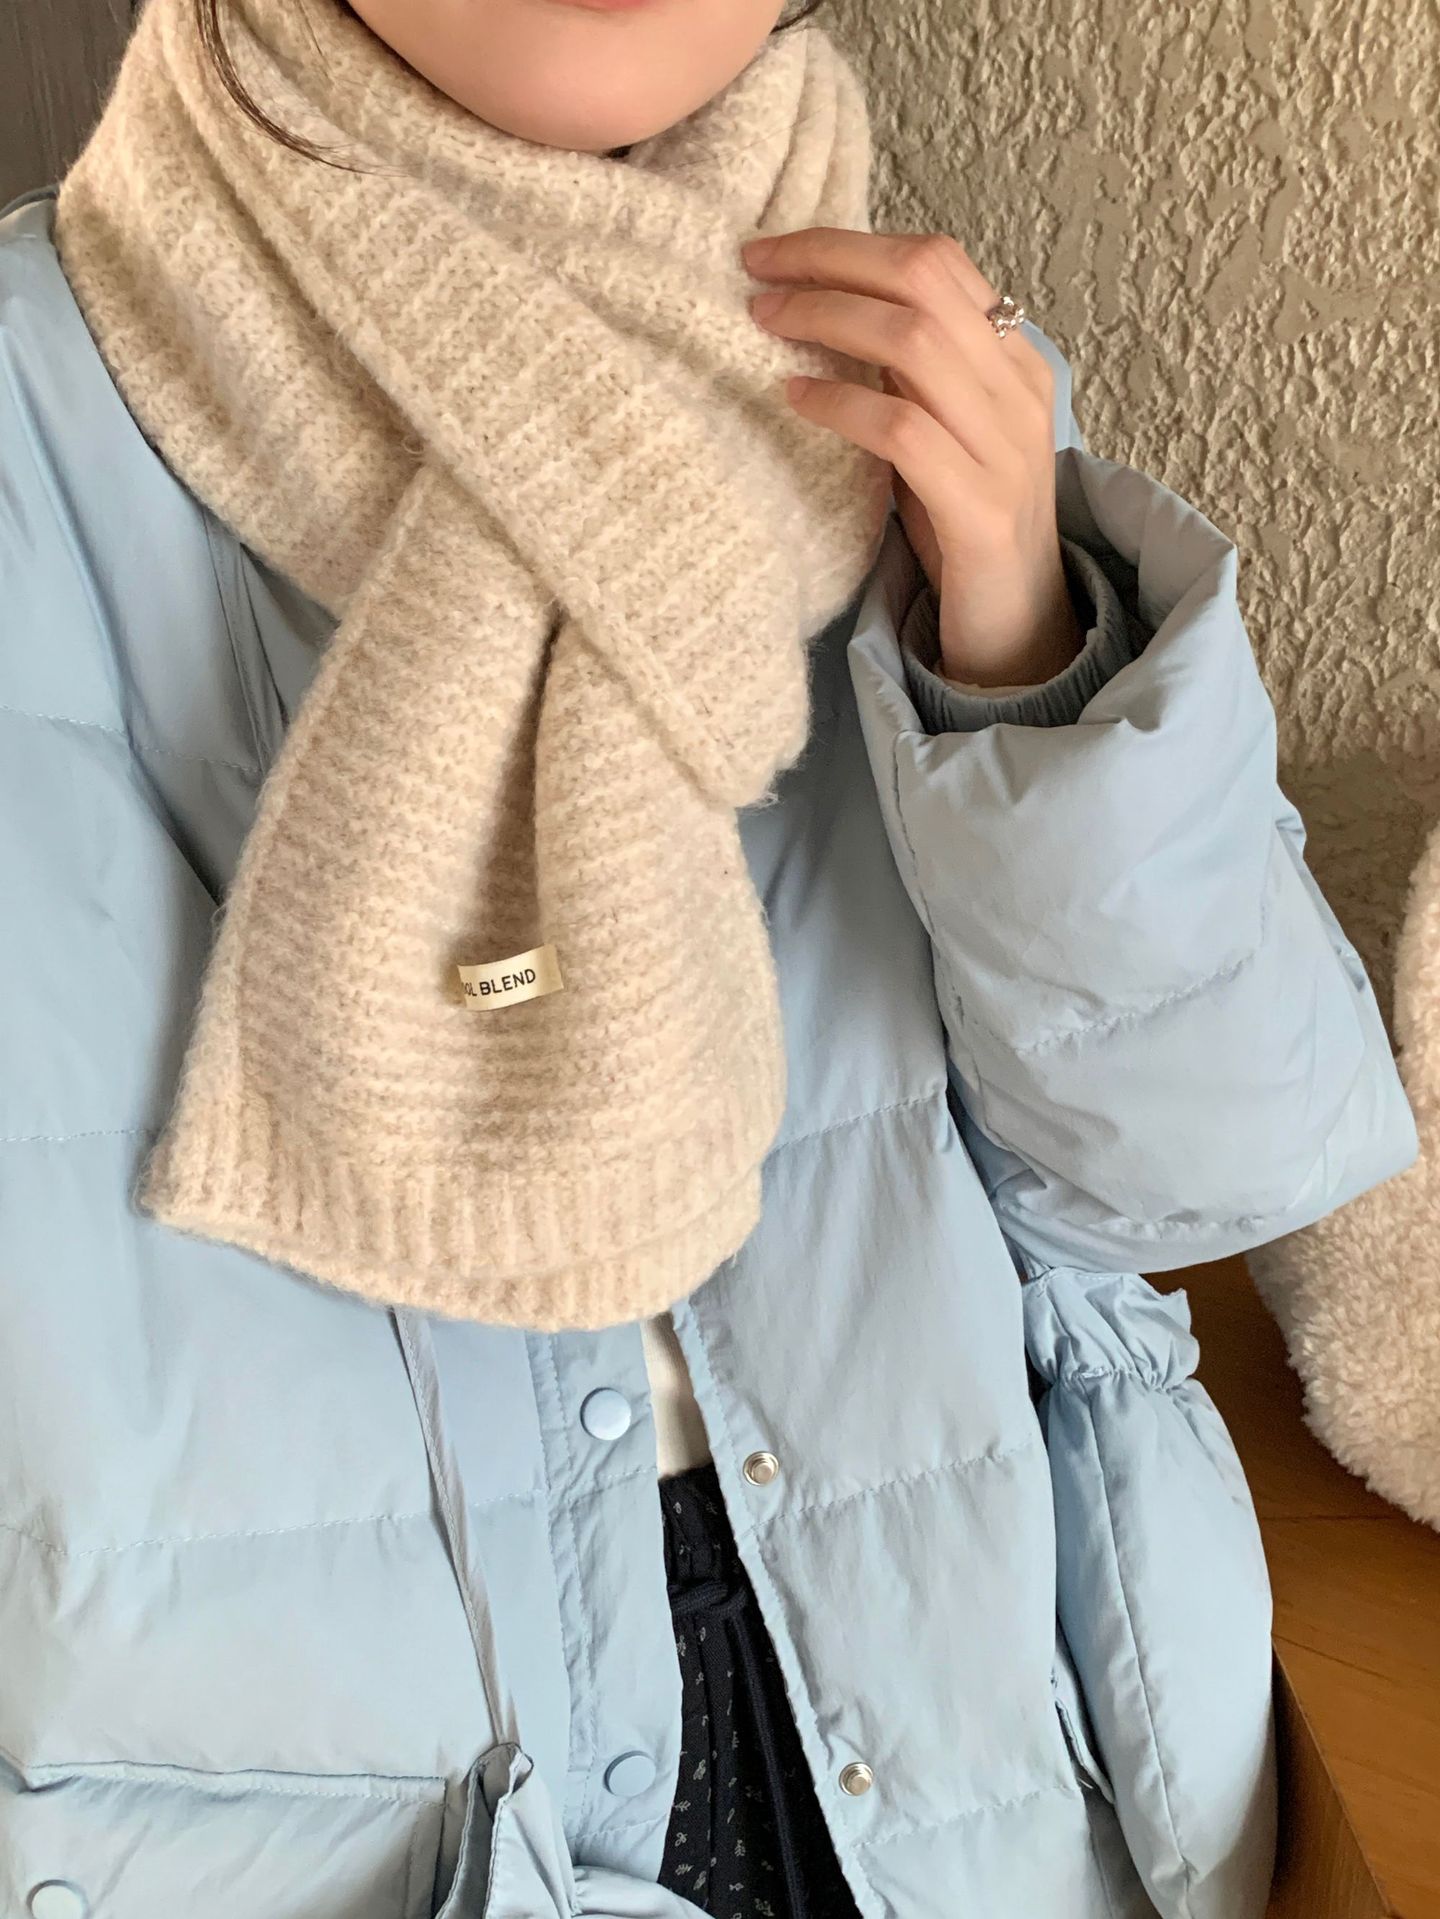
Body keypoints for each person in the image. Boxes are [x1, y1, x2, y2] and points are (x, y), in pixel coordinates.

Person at [0, 0, 1416, 1915]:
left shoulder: (903, 381)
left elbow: (1205, 1173)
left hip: (968, 1753)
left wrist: (1022, 659)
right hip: (336, 1827)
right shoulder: (37, 442)